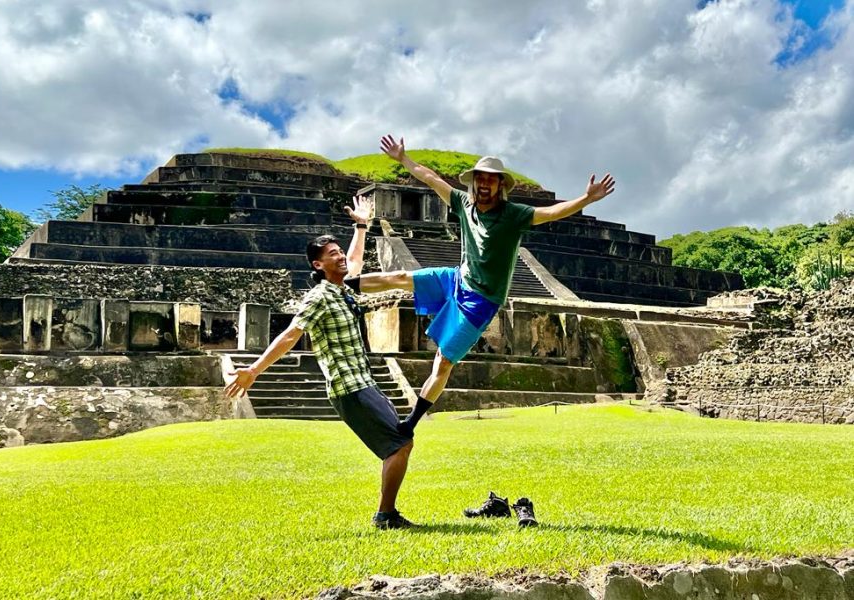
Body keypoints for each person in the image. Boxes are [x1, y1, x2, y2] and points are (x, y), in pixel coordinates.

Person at [345, 134, 616, 436]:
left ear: (501, 185)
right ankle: (344, 284)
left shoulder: (514, 215)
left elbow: (551, 213)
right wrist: (403, 159)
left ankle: (411, 422)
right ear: (473, 183)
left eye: (491, 180)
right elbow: (432, 179)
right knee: (400, 278)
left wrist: (587, 199)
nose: (484, 185)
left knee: (443, 362)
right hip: (456, 278)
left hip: (481, 301)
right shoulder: (463, 203)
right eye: (480, 180)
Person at [223, 196, 416, 530]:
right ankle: (385, 516)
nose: (340, 256)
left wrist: (361, 225)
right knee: (399, 443)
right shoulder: (319, 297)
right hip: (349, 387)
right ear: (317, 265)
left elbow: (354, 261)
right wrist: (253, 370)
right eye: (332, 254)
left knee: (401, 442)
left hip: (363, 381)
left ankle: (388, 514)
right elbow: (290, 335)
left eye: (339, 251)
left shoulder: (343, 289)